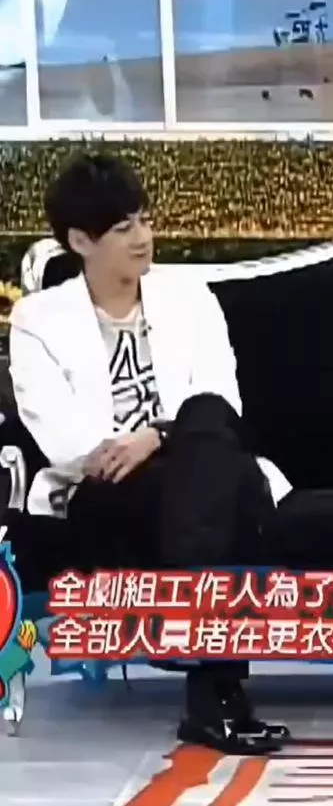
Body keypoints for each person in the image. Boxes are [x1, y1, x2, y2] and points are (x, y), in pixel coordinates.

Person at [9, 152, 292, 755]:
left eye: (145, 220)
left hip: (192, 466)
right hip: (104, 489)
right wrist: (140, 449)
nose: (143, 238)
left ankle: (205, 678)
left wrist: (158, 437)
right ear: (80, 241)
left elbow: (221, 398)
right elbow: (60, 433)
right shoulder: (39, 320)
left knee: (209, 432)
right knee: (233, 486)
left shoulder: (189, 297)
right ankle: (219, 689)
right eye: (123, 228)